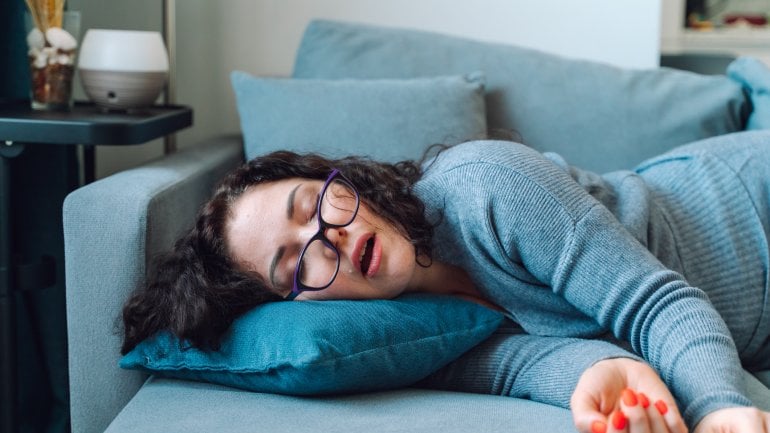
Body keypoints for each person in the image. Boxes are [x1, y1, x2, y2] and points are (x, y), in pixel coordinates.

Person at [120, 130, 770, 433]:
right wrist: (598, 371)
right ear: (294, 303)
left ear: (337, 177)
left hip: (747, 206)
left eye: (313, 203)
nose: (330, 238)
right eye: (297, 262)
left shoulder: (487, 183)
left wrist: (716, 406)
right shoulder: (407, 333)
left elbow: (657, 303)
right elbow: (518, 363)